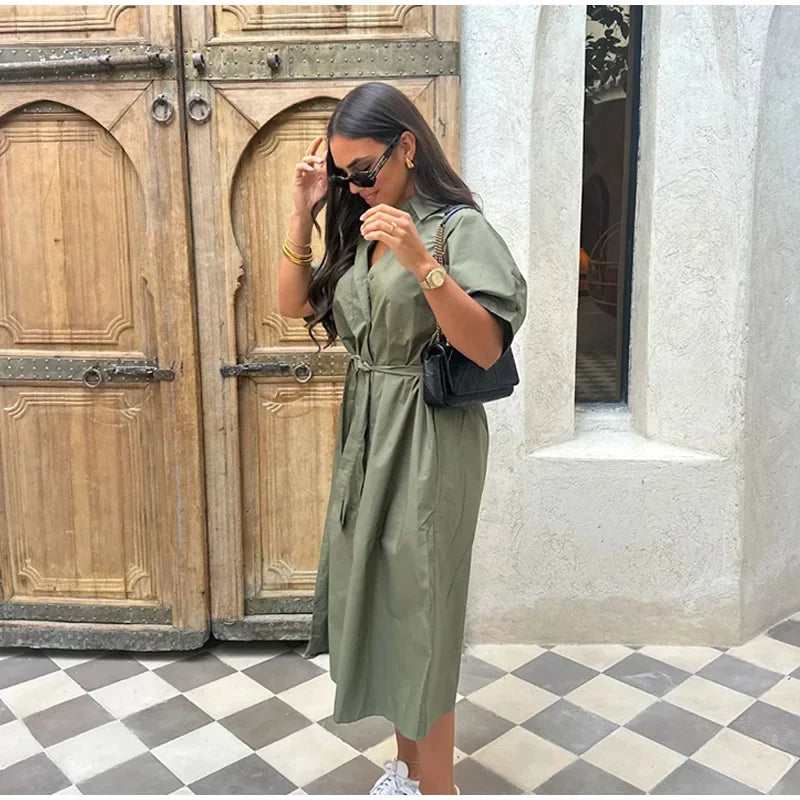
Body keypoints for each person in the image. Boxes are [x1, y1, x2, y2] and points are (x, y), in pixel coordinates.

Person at [278, 81, 527, 795]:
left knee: (421, 611)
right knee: (386, 599)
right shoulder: (361, 225)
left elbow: (485, 346)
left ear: (407, 147)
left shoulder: (455, 228)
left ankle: (439, 786)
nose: (355, 186)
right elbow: (292, 304)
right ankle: (410, 770)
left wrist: (423, 263)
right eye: (343, 174)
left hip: (430, 433)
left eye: (365, 169)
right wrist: (303, 210)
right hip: (368, 428)